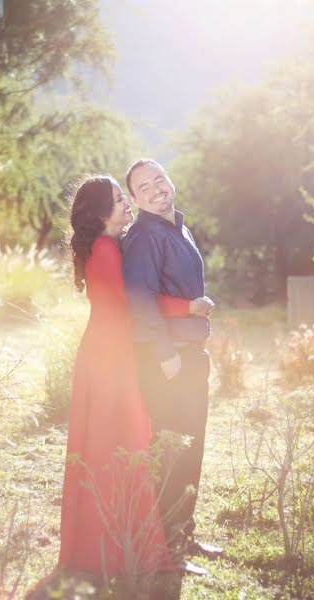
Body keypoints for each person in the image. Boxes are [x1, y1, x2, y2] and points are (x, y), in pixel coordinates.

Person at [57, 175, 214, 577]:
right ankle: (115, 544)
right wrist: (188, 308)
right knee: (119, 443)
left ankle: (111, 538)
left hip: (106, 351)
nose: (127, 204)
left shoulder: (107, 246)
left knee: (110, 446)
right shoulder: (108, 249)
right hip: (111, 357)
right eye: (118, 199)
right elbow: (134, 302)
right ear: (99, 213)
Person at [121, 158, 224, 569]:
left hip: (190, 356)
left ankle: (184, 535)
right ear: (134, 199)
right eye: (143, 187)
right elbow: (141, 301)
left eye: (159, 179)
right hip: (168, 361)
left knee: (191, 447)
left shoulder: (179, 226)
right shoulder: (143, 235)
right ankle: (166, 549)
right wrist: (165, 355)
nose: (155, 189)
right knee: (170, 453)